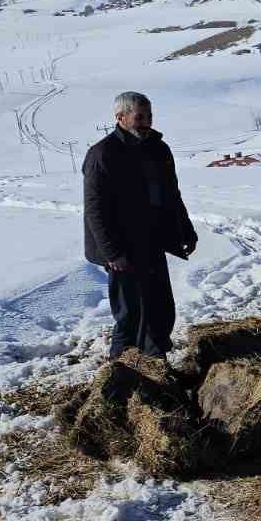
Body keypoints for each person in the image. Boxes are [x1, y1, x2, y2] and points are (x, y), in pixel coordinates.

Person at [83, 91, 198, 360]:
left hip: (153, 240)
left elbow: (172, 194)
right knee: (131, 312)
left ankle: (156, 362)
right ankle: (123, 370)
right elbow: (95, 210)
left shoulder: (158, 149)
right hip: (122, 246)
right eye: (140, 116)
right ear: (120, 117)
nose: (147, 122)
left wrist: (186, 230)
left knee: (160, 308)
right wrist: (112, 253)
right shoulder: (102, 154)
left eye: (149, 116)